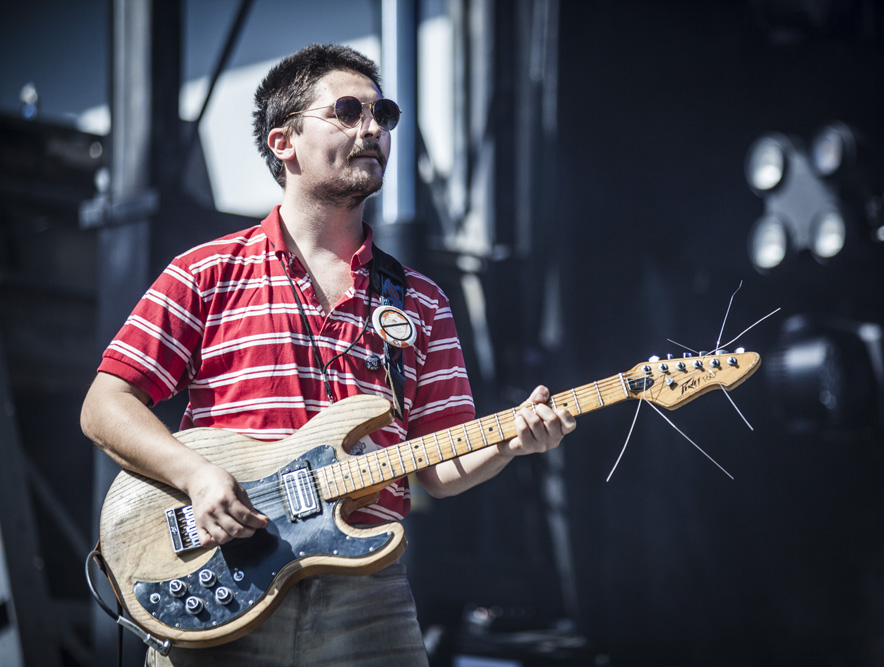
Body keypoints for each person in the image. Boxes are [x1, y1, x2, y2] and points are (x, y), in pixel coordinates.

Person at [80, 43, 575, 666]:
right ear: (283, 141)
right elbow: (105, 405)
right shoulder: (206, 271)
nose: (373, 129)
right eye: (347, 111)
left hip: (366, 594)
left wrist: (511, 443)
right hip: (223, 571)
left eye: (383, 114)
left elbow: (439, 467)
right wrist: (196, 476)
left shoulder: (420, 300)